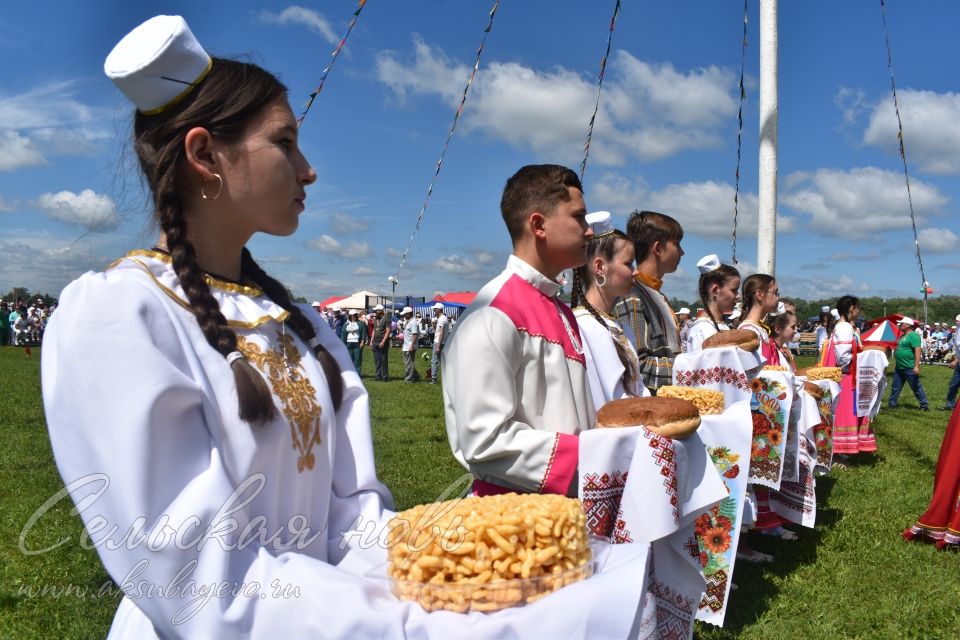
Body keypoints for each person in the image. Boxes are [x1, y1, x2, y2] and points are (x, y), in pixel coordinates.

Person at [40, 16, 397, 636]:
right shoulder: (121, 315)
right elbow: (199, 586)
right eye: (285, 143)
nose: (308, 169)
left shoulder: (303, 324)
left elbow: (357, 513)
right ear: (205, 154)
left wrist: (427, 585)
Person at [443, 164, 594, 495]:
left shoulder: (561, 310)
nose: (589, 230)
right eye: (579, 217)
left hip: (570, 505)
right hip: (516, 519)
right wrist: (595, 459)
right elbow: (485, 440)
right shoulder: (493, 312)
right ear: (538, 225)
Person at [570, 211, 647, 408]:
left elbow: (635, 390)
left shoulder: (615, 324)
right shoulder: (584, 325)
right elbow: (603, 401)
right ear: (600, 267)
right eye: (628, 263)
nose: (636, 271)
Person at [613, 210, 685, 392]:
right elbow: (640, 368)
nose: (682, 252)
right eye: (677, 244)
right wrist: (689, 367)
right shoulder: (633, 296)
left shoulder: (655, 294)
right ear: (658, 248)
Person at [684, 254, 740, 353]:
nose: (738, 296)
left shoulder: (722, 326)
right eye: (734, 290)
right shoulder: (701, 330)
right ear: (715, 291)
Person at [738, 273, 781, 364]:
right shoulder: (748, 331)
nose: (778, 298)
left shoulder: (759, 328)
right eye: (775, 293)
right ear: (760, 295)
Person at [888, 316, 929, 411]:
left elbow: (917, 350)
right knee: (895, 387)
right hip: (899, 367)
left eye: (902, 324)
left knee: (916, 387)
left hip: (909, 367)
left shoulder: (913, 336)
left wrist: (916, 366)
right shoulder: (902, 336)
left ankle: (924, 405)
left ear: (908, 325)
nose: (900, 325)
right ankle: (892, 404)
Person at [770, 308, 798, 372]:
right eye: (793, 327)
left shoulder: (782, 351)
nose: (796, 330)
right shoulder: (770, 353)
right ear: (778, 329)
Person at [429, 302, 449, 384]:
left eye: (435, 309)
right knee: (441, 361)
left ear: (439, 310)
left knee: (434, 360)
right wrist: (434, 325)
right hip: (441, 342)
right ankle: (446, 378)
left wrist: (438, 346)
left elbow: (441, 333)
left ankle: (433, 378)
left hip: (439, 342)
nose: (434, 311)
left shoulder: (442, 319)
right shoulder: (442, 318)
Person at [370, 304, 391, 381]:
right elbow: (374, 331)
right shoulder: (375, 319)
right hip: (375, 342)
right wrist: (371, 340)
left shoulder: (387, 319)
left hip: (383, 343)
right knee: (377, 361)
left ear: (381, 311)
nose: (375, 312)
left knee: (383, 360)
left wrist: (383, 342)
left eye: (377, 310)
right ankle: (378, 376)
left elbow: (388, 331)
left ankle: (384, 377)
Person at [400, 306, 420, 382]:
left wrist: (412, 346)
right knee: (408, 363)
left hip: (410, 346)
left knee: (409, 363)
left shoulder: (413, 322)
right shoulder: (409, 321)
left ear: (409, 314)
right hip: (406, 346)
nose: (404, 316)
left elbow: (415, 334)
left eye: (405, 314)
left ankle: (409, 378)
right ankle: (415, 375)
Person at [945, 314, 960, 410]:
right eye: (956, 320)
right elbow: (956, 346)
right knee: (953, 385)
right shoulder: (958, 330)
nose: (956, 322)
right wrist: (955, 358)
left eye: (958, 320)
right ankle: (950, 405)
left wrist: (956, 360)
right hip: (958, 363)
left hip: (958, 361)